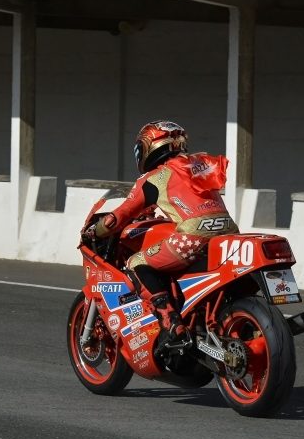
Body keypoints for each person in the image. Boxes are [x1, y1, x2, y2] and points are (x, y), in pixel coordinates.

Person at [81, 121, 238, 348]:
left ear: (151, 147)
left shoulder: (156, 177)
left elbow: (119, 217)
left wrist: (95, 230)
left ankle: (170, 321)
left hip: (193, 236)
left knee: (136, 262)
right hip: (228, 233)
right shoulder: (198, 163)